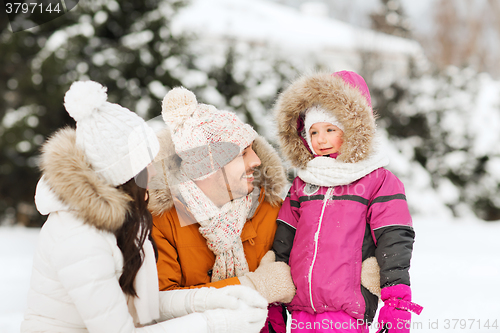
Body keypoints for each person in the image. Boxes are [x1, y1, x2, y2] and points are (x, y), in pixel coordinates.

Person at [21, 80, 268, 333]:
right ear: (124, 176)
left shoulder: (124, 220)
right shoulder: (79, 239)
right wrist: (212, 323)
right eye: (145, 165)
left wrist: (211, 300)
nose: (154, 170)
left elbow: (142, 305)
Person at [271, 71, 423, 333]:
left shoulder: (377, 180)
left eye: (331, 129)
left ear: (353, 130)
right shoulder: (303, 183)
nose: (320, 139)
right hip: (301, 311)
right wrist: (273, 300)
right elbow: (283, 241)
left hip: (347, 312)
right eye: (314, 131)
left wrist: (396, 303)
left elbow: (394, 241)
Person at [148, 87, 296, 333]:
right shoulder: (163, 221)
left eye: (252, 150)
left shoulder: (271, 211)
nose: (255, 161)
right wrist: (253, 286)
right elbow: (161, 305)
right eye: (243, 153)